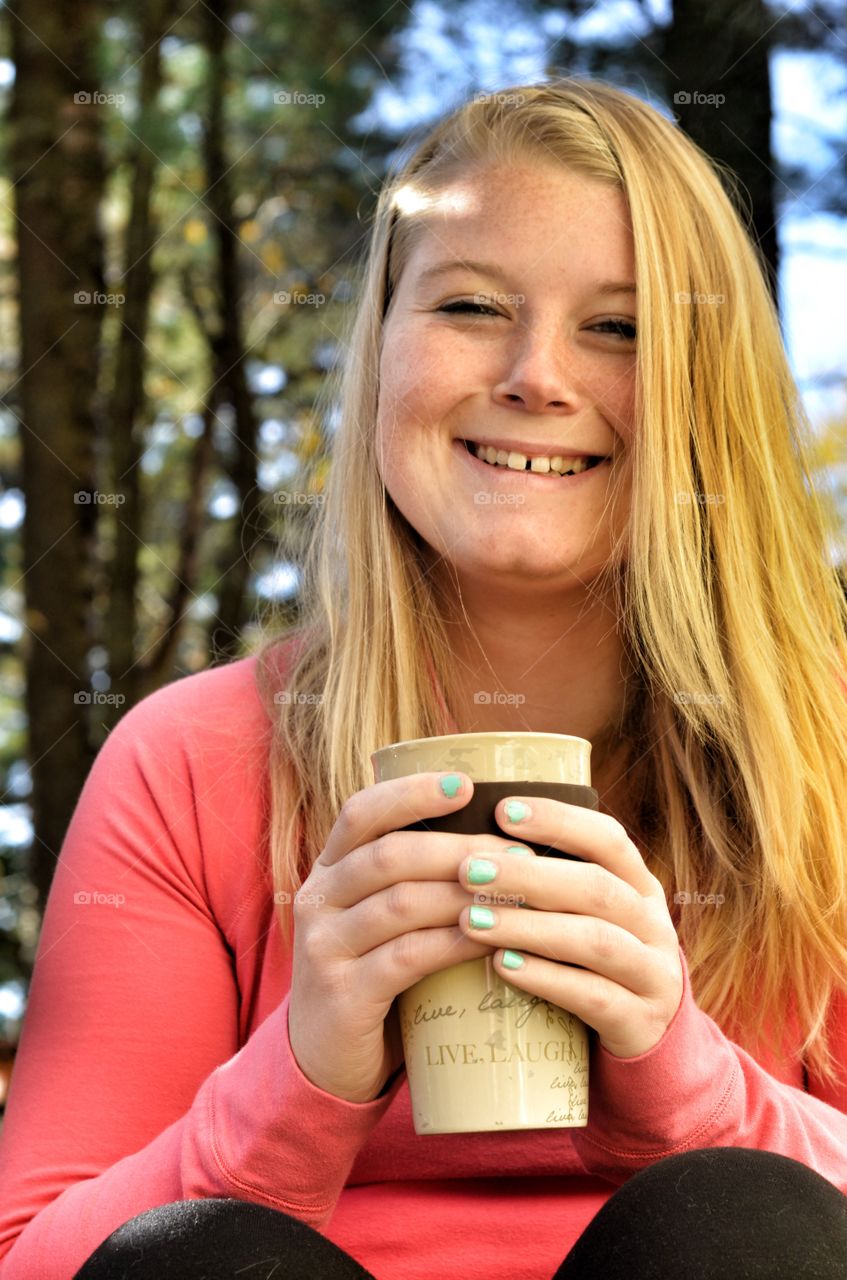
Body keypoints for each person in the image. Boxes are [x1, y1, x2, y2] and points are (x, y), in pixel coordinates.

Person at [1, 75, 847, 1280]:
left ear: (708, 392)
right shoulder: (192, 760)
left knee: (743, 1219)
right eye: (470, 306)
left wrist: (694, 1090)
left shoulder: (827, 753)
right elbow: (33, 1256)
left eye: (618, 327)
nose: (535, 375)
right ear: (380, 348)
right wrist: (295, 1080)